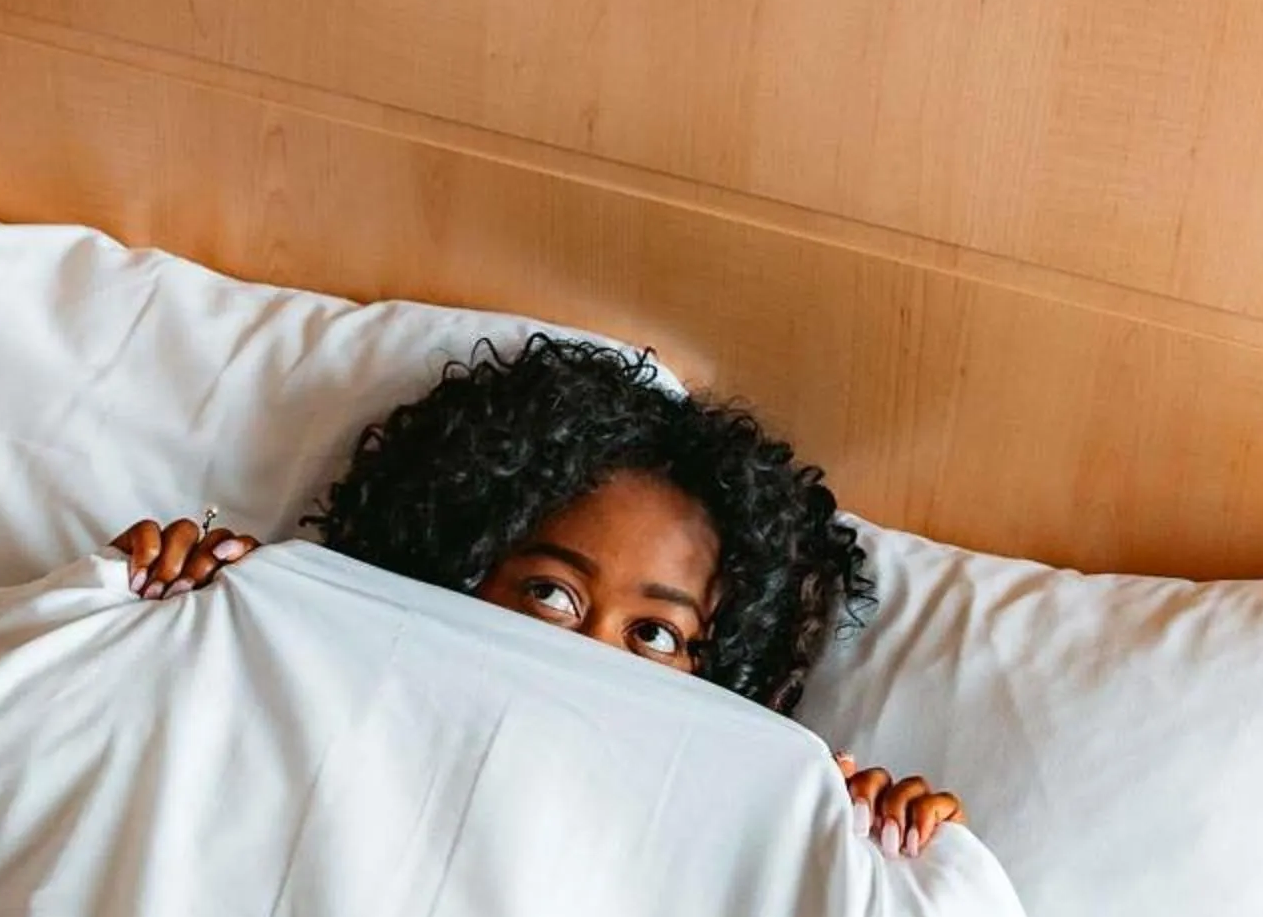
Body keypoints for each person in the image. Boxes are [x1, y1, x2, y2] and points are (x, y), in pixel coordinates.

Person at [111, 334, 968, 858]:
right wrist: (170, 610)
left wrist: (850, 837)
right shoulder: (316, 694)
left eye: (657, 636)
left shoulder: (712, 828)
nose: (588, 653)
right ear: (461, 563)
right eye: (554, 594)